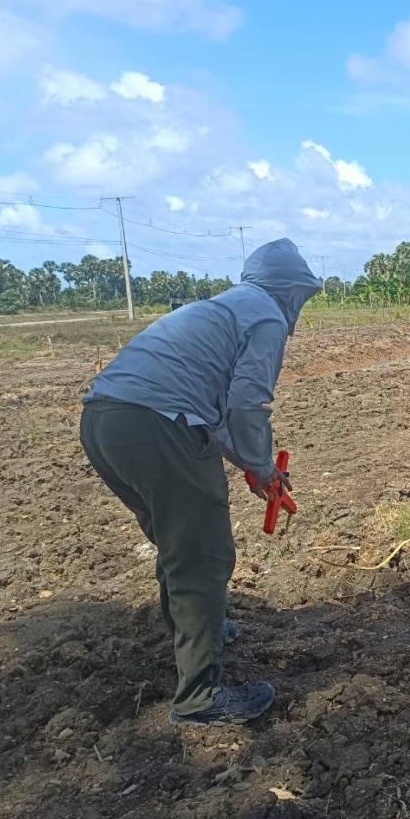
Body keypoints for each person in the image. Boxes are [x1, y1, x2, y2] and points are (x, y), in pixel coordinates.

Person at [80, 239, 321, 726]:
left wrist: (254, 467)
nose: (300, 306)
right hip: (157, 426)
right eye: (302, 295)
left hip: (105, 423)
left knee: (177, 542)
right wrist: (261, 463)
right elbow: (246, 404)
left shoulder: (224, 306)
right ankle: (199, 698)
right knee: (203, 555)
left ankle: (199, 629)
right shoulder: (267, 316)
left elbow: (216, 409)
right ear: (291, 290)